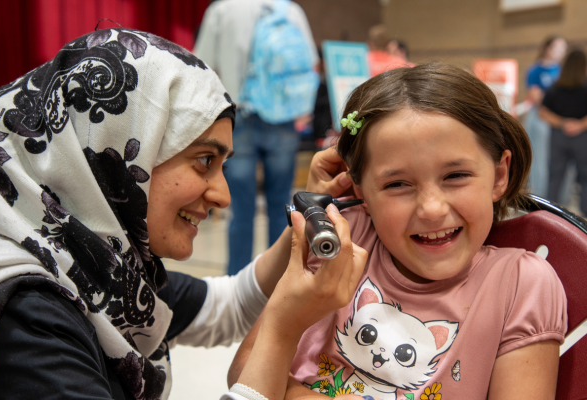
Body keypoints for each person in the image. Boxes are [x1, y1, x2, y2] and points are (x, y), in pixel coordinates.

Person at [0, 28, 366, 400]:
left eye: (223, 166)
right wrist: (283, 329)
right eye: (204, 161)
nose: (223, 196)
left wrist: (311, 216)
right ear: (114, 150)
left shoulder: (97, 264)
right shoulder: (29, 316)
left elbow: (229, 305)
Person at [229, 63, 567, 400]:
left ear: (499, 175)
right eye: (397, 184)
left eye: (455, 176)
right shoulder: (343, 238)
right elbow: (245, 370)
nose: (431, 209)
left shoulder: (521, 285)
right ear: (359, 190)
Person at [194, 0, 319, 276]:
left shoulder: (222, 10)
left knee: (240, 209)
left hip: (239, 118)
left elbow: (202, 66)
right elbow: (309, 63)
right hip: (283, 119)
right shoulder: (290, 11)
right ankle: (281, 280)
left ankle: (238, 286)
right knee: (281, 207)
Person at [540, 49, 587, 215]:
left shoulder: (555, 87)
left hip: (559, 136)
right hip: (582, 138)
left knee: (555, 177)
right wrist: (580, 124)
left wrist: (563, 123)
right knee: (585, 177)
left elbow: (543, 112)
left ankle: (549, 213)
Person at [524, 36, 568, 198]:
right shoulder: (535, 71)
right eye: (558, 47)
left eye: (563, 48)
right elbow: (536, 97)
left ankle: (560, 197)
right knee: (540, 159)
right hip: (541, 119)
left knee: (561, 162)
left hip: (561, 121)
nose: (561, 52)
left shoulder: (564, 72)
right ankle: (540, 196)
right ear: (548, 49)